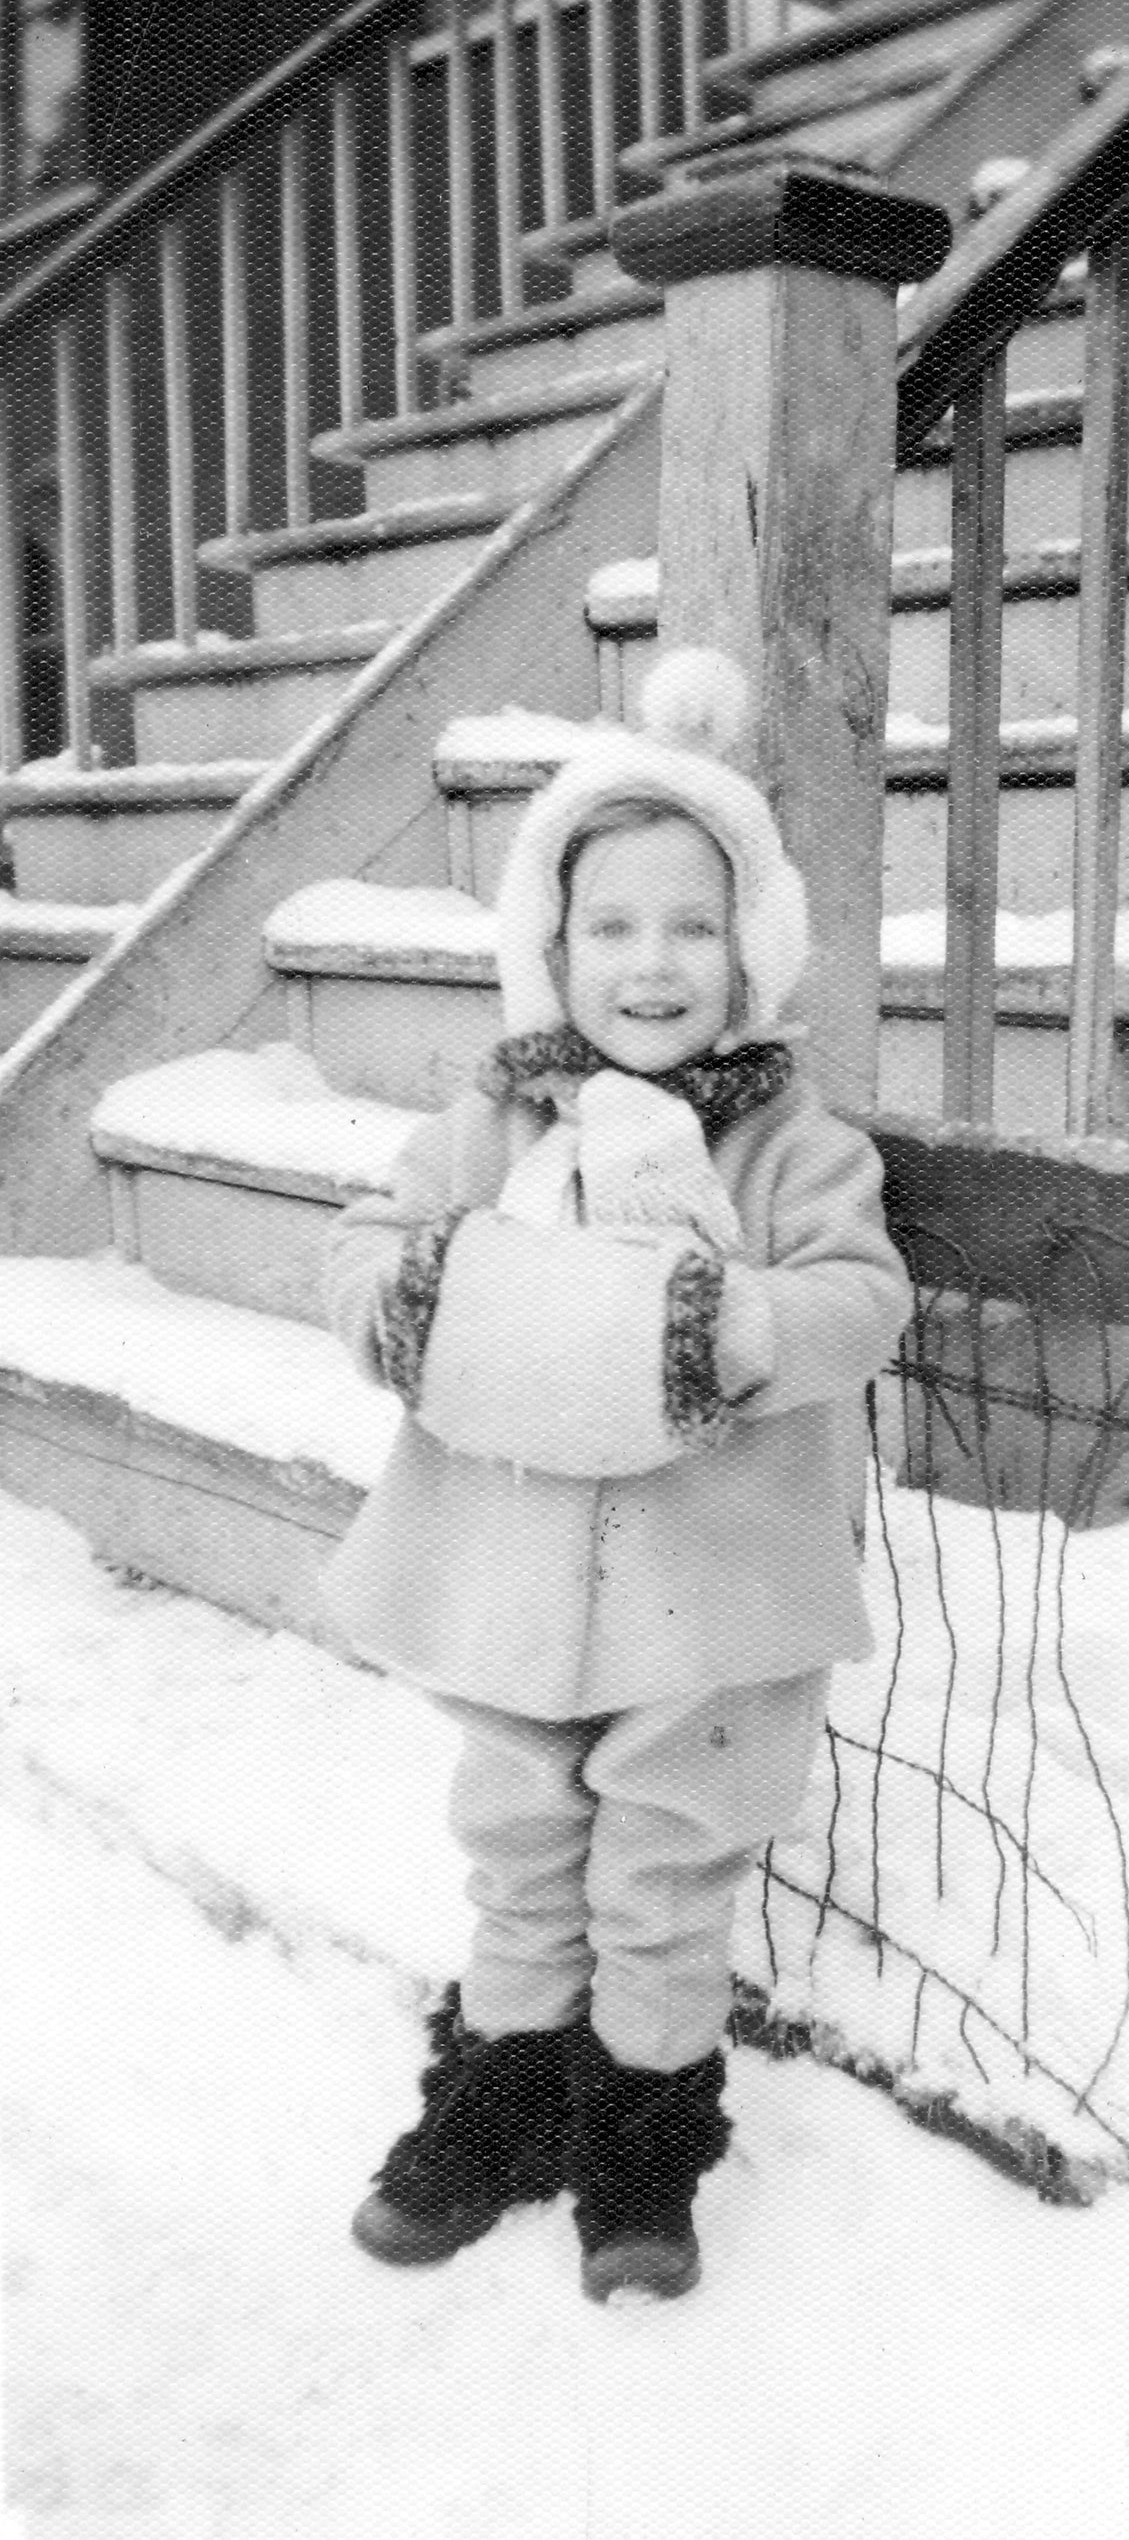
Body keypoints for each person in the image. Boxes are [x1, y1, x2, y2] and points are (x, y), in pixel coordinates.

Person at [320, 646, 911, 2303]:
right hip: (509, 1571)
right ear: (551, 950)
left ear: (750, 952)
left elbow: (861, 1302)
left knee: (660, 1862)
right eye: (611, 926)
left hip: (701, 1593)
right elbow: (366, 1244)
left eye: (692, 924)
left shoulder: (795, 1144)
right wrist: (409, 1297)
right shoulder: (490, 1130)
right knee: (518, 1828)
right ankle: (498, 2092)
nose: (651, 962)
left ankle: (644, 2133)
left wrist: (730, 1326)